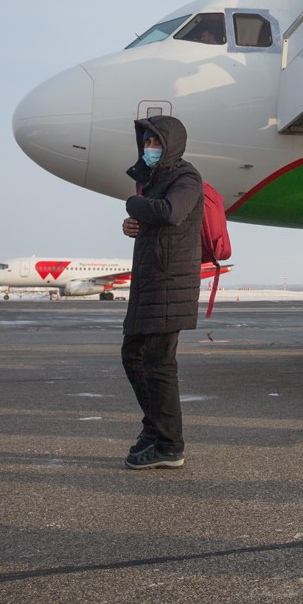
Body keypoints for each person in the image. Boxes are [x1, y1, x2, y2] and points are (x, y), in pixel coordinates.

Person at [120, 115, 204, 469]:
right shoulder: (155, 180)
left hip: (170, 284)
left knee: (159, 364)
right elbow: (156, 223)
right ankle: (155, 427)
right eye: (147, 142)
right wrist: (133, 226)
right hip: (150, 284)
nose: (149, 149)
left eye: (156, 143)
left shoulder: (185, 177)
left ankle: (170, 446)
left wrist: (133, 205)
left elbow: (172, 213)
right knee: (133, 355)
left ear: (172, 145)